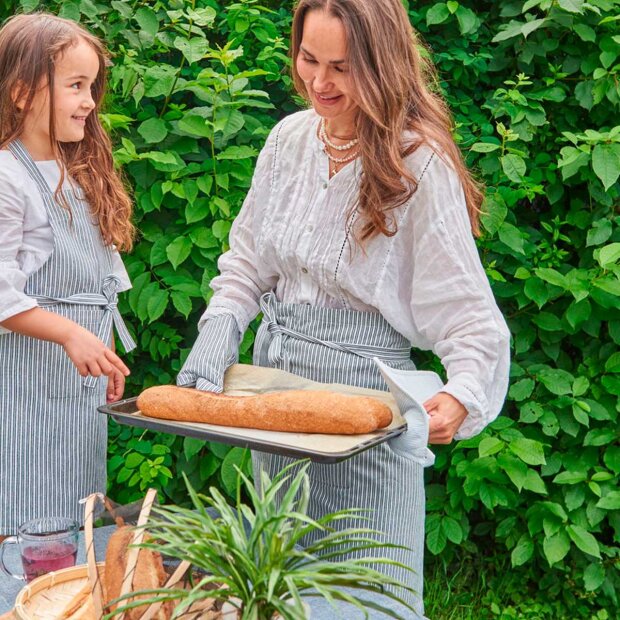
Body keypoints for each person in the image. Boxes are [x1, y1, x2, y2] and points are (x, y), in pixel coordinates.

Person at [178, 0, 510, 616]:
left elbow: (469, 314)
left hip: (364, 411)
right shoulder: (287, 140)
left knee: (363, 586)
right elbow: (248, 264)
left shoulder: (417, 164)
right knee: (282, 581)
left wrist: (462, 394)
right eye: (309, 59)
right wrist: (220, 330)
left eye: (342, 67)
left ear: (382, 67)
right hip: (275, 401)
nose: (320, 83)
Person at [0, 13, 136, 537]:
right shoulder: (9, 178)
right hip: (25, 394)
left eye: (92, 86)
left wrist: (98, 355)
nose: (90, 101)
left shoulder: (73, 174)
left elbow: (89, 290)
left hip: (71, 395)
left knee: (73, 525)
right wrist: (72, 334)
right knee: (23, 525)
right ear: (21, 93)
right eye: (76, 86)